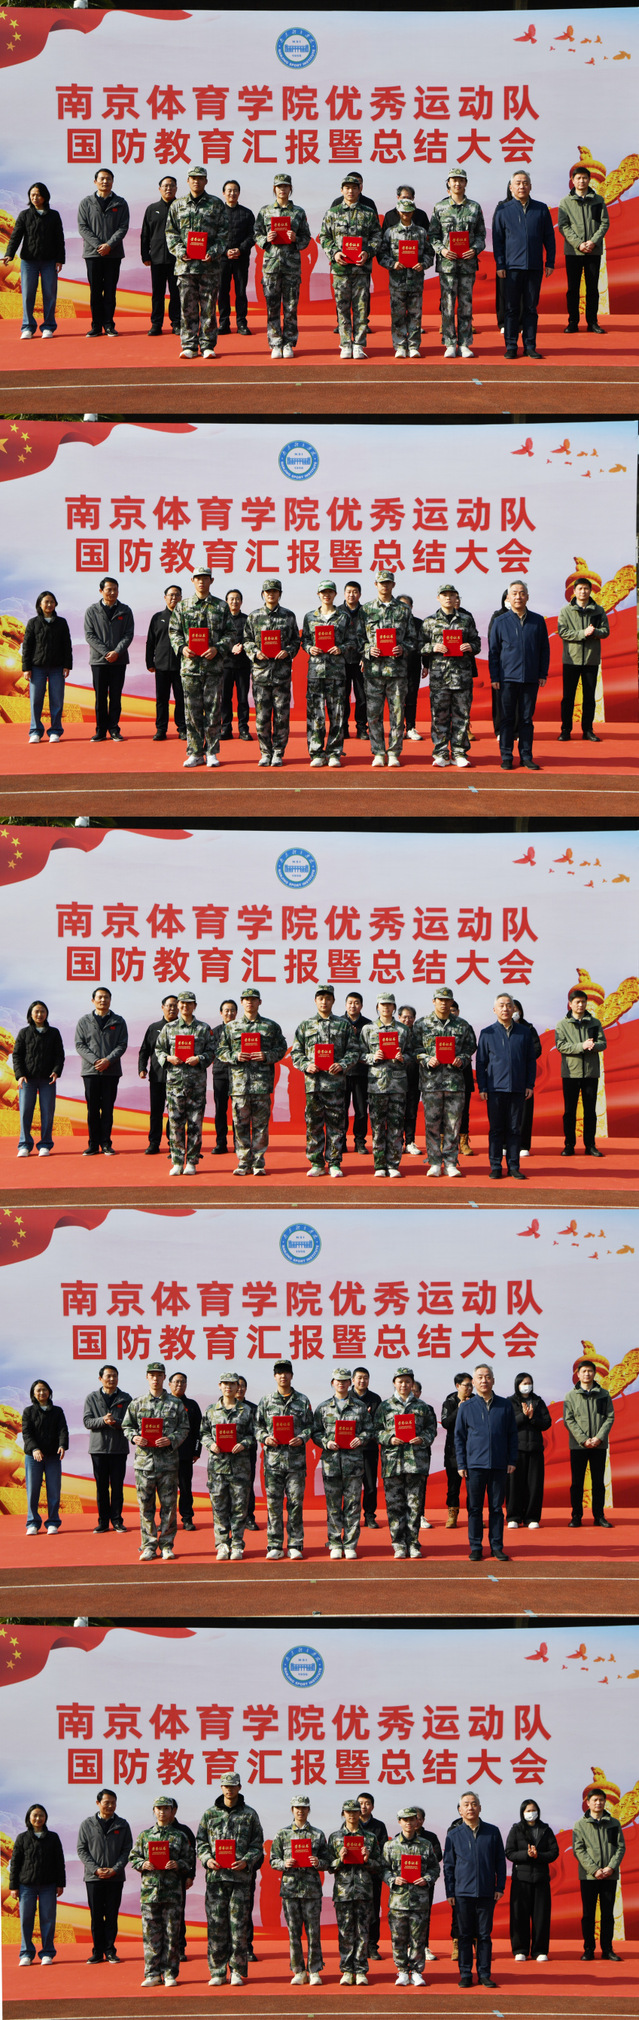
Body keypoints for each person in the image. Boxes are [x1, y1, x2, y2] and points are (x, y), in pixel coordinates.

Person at [196, 1771, 264, 1986]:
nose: (229, 1789)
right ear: (221, 1788)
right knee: (216, 1926)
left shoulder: (249, 1814)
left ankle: (237, 1970)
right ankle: (217, 1971)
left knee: (239, 1927)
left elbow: (257, 1845)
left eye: (233, 1786)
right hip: (216, 1879)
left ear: (239, 1787)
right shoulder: (210, 1814)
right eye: (226, 1786)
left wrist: (246, 1861)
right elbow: (201, 1842)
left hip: (240, 1880)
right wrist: (207, 1859)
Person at [121, 1360, 189, 1562]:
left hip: (168, 1463)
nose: (155, 1379)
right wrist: (134, 1437)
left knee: (169, 1506)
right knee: (145, 1507)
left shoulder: (175, 1403)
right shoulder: (137, 1403)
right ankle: (149, 1545)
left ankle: (167, 1544)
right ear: (147, 1377)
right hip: (145, 1464)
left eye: (159, 1375)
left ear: (164, 1378)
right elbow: (126, 1426)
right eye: (152, 1375)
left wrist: (171, 1439)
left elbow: (184, 1428)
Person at [216, 985, 287, 1176]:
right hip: (239, 1085)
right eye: (246, 999)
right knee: (240, 1124)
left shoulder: (270, 1026)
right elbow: (220, 1050)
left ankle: (258, 1163)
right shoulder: (231, 1027)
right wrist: (235, 1056)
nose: (250, 1002)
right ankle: (243, 1162)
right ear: (241, 1003)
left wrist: (266, 1056)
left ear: (259, 1002)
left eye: (253, 999)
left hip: (261, 1084)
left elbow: (281, 1048)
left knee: (260, 1126)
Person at [292, 982, 360, 1177]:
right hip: (314, 1084)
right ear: (315, 1001)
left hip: (335, 1084)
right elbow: (296, 1052)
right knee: (313, 1125)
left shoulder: (343, 1025)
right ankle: (316, 1163)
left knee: (336, 1125)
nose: (324, 1002)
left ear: (333, 1001)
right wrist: (306, 1065)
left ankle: (335, 1163)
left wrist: (342, 1064)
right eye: (321, 998)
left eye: (328, 998)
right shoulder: (305, 1026)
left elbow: (354, 1051)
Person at [168, 561, 230, 769]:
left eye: (205, 578)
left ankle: (212, 752)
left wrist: (217, 648)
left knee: (213, 711)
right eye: (198, 578)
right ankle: (195, 752)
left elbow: (231, 633)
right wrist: (181, 647)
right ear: (192, 581)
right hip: (190, 668)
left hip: (213, 668)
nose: (201, 581)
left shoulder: (221, 607)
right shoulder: (183, 606)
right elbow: (174, 631)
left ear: (211, 580)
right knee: (192, 712)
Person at [454, 1362, 518, 1562]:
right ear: (473, 1382)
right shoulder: (466, 1407)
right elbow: (459, 1437)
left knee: (497, 1509)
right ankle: (475, 1547)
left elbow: (512, 1435)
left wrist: (512, 1460)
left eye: (488, 1376)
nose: (484, 1380)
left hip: (499, 1464)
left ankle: (497, 1546)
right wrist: (461, 1463)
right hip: (474, 1466)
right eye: (480, 1377)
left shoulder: (505, 1405)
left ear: (493, 1380)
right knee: (474, 1508)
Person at [130, 1794, 195, 1988]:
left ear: (172, 1811)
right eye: (159, 1808)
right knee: (151, 1935)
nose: (162, 1812)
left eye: (166, 1808)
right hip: (150, 1893)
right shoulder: (145, 1835)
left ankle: (170, 1973)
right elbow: (133, 1857)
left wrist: (178, 1864)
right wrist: (143, 1863)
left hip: (172, 1893)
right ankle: (152, 1973)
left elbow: (190, 1860)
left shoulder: (180, 1836)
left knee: (172, 1935)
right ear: (154, 1811)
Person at [165, 165, 229, 361]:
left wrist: (213, 252)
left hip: (209, 267)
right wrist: (180, 250)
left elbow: (224, 234)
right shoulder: (177, 205)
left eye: (200, 178)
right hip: (185, 267)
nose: (196, 181)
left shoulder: (216, 204)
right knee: (187, 307)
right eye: (193, 178)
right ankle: (189, 345)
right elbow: (171, 233)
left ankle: (208, 345)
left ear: (206, 181)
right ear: (187, 181)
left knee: (208, 307)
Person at [412, 986, 477, 1177]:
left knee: (453, 1124)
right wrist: (426, 1058)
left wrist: (462, 1059)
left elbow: (471, 1047)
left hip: (454, 1082)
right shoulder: (422, 1024)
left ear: (451, 1002)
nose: (443, 1003)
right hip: (431, 1083)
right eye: (440, 1000)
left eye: (447, 1000)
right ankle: (434, 1162)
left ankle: (450, 1162)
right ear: (434, 1001)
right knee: (432, 1124)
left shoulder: (462, 1025)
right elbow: (414, 1048)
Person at [443, 1792, 506, 1989]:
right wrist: (450, 1892)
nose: (470, 1807)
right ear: (460, 1810)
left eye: (474, 1804)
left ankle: (484, 1974)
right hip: (462, 1894)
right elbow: (449, 1866)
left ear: (480, 1808)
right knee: (464, 1935)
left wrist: (500, 1887)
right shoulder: (453, 1835)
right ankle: (465, 1974)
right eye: (466, 1804)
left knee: (484, 1936)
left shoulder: (492, 1832)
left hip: (486, 1893)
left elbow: (500, 1862)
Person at [374, 1365, 437, 1559]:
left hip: (416, 1463)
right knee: (395, 1506)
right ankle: (398, 1544)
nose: (404, 1385)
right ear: (394, 1383)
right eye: (400, 1381)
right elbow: (375, 1430)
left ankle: (413, 1544)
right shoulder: (384, 1406)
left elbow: (431, 1429)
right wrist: (389, 1438)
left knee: (415, 1506)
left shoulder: (422, 1407)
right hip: (392, 1464)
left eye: (407, 1382)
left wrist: (422, 1439)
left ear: (412, 1384)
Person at [492, 168, 555, 359]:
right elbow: (497, 240)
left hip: (534, 267)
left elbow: (549, 237)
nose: (522, 186)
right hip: (511, 268)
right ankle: (511, 346)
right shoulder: (503, 210)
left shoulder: (541, 209)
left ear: (530, 187)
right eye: (518, 183)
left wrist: (550, 261)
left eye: (525, 183)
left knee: (530, 308)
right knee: (511, 308)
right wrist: (500, 265)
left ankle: (530, 346)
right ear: (511, 187)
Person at [488, 579, 550, 770]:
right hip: (506, 679)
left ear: (527, 597)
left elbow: (544, 649)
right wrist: (495, 677)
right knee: (506, 719)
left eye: (522, 593)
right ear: (508, 597)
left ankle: (526, 756)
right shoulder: (500, 621)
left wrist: (542, 673)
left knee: (526, 719)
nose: (518, 597)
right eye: (514, 593)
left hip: (530, 678)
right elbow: (494, 652)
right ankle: (506, 756)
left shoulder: (537, 620)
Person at [312, 1366, 372, 1559]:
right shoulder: (323, 1407)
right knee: (333, 1506)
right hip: (331, 1464)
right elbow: (315, 1432)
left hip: (353, 1464)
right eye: (338, 1380)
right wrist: (326, 1442)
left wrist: (360, 1439)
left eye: (345, 1380)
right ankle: (335, 1542)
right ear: (333, 1383)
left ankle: (350, 1544)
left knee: (353, 1505)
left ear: (350, 1383)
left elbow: (370, 1430)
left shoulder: (359, 1407)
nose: (342, 1383)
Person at [256, 1358, 313, 1560]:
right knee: (274, 1504)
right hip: (273, 1462)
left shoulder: (302, 1400)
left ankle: (295, 1544)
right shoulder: (266, 1401)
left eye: (286, 1372)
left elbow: (311, 1426)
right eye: (279, 1373)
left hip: (296, 1462)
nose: (283, 1376)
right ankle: (275, 1544)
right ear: (275, 1376)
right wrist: (265, 1438)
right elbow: (257, 1427)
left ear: (291, 1375)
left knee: (295, 1503)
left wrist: (302, 1437)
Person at [154, 986, 215, 1175]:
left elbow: (212, 1051)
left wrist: (200, 1059)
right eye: (182, 1003)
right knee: (175, 1123)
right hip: (175, 1084)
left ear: (194, 1006)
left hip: (196, 1084)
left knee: (195, 1124)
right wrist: (168, 1058)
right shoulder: (169, 1028)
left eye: (189, 1003)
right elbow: (159, 1049)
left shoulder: (203, 1028)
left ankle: (192, 1162)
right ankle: (177, 1161)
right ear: (178, 1005)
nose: (185, 1006)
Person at [476, 990, 537, 1179]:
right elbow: (481, 1062)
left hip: (518, 1088)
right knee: (496, 1130)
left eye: (509, 1005)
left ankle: (513, 1166)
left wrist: (529, 1084)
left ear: (514, 1009)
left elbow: (530, 1061)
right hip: (495, 1089)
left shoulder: (524, 1032)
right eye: (501, 1005)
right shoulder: (487, 1033)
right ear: (494, 1009)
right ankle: (495, 1166)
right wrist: (483, 1087)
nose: (505, 1009)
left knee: (514, 1129)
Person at [320, 174, 381, 359]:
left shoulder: (368, 213)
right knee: (342, 307)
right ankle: (345, 343)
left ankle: (359, 344)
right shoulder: (332, 213)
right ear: (341, 190)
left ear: (360, 189)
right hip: (341, 269)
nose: (350, 191)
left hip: (361, 269)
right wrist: (334, 253)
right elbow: (324, 237)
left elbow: (377, 237)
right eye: (347, 188)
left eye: (354, 188)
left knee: (361, 308)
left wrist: (368, 252)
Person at [361, 567, 417, 767]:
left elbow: (413, 638)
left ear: (393, 585)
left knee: (397, 714)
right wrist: (368, 650)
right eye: (381, 583)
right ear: (375, 585)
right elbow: (357, 638)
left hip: (396, 671)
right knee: (374, 714)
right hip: (374, 672)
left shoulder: (403, 610)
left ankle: (393, 752)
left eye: (388, 582)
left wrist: (403, 648)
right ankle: (378, 752)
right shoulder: (366, 610)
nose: (384, 586)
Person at [270, 1796, 329, 1985]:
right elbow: (273, 1860)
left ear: (308, 1810)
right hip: (290, 1890)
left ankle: (315, 1970)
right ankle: (298, 1971)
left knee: (314, 1932)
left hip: (311, 1891)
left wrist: (318, 1862)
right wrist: (283, 1863)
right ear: (292, 1810)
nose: (300, 1811)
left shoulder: (317, 1834)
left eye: (304, 1808)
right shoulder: (283, 1834)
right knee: (293, 1933)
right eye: (297, 1808)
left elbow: (329, 1861)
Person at [421, 582, 480, 768]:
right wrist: (433, 647)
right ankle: (440, 752)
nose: (448, 598)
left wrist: (470, 646)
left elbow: (477, 642)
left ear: (456, 598)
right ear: (438, 598)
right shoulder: (429, 621)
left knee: (461, 716)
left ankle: (459, 753)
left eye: (451, 595)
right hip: (439, 678)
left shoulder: (466, 620)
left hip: (462, 677)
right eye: (444, 595)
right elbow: (419, 645)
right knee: (439, 716)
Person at [429, 166, 486, 358]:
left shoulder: (474, 207)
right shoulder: (440, 207)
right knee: (447, 305)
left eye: (461, 180)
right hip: (447, 265)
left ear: (466, 183)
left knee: (466, 305)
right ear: (448, 183)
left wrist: (475, 249)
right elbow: (433, 235)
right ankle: (449, 343)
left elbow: (481, 235)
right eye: (454, 180)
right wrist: (442, 250)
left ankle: (465, 343)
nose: (457, 183)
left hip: (467, 265)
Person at [243, 576, 300, 766]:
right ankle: (265, 752)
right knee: (262, 717)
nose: (271, 594)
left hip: (281, 674)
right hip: (261, 674)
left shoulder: (288, 616)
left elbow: (296, 641)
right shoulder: (254, 617)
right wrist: (255, 652)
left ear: (280, 594)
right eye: (268, 592)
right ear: (263, 594)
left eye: (274, 591)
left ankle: (278, 752)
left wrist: (288, 651)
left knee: (282, 716)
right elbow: (246, 640)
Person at [254, 170, 311, 358]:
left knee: (290, 307)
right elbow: (256, 234)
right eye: (279, 187)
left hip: (291, 267)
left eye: (285, 186)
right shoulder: (265, 211)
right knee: (272, 306)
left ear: (290, 189)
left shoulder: (298, 212)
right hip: (271, 266)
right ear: (274, 189)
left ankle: (289, 343)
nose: (282, 190)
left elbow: (306, 238)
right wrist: (266, 239)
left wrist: (296, 239)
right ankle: (275, 343)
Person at [383, 1807, 440, 1986]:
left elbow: (435, 1868)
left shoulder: (425, 1845)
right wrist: (392, 1879)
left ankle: (416, 1971)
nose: (408, 1823)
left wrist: (427, 1879)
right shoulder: (390, 1845)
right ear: (399, 1822)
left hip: (419, 1901)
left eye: (412, 1819)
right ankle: (401, 1971)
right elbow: (383, 1869)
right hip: (398, 1901)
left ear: (417, 1822)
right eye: (405, 1820)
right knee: (398, 1938)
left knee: (418, 1939)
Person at [328, 1798, 382, 1985]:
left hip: (363, 1891)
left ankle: (360, 1970)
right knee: (345, 1932)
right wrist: (339, 1859)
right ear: (343, 1813)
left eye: (355, 1811)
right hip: (343, 1892)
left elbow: (380, 1865)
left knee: (363, 1932)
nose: (351, 1815)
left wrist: (368, 1860)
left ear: (360, 1813)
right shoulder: (335, 1837)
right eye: (348, 1811)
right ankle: (346, 1969)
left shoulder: (370, 1838)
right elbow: (328, 1866)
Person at [201, 1372, 254, 1559]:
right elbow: (203, 1433)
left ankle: (237, 1544)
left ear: (237, 1387)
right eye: (225, 1384)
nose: (229, 1387)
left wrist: (244, 1444)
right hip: (217, 1468)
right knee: (219, 1507)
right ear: (220, 1386)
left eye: (232, 1384)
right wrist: (210, 1444)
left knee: (240, 1507)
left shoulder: (246, 1411)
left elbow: (254, 1434)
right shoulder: (211, 1410)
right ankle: (222, 1544)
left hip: (240, 1467)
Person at [77, 1788, 133, 1965]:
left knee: (111, 1915)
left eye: (113, 1803)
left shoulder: (122, 1824)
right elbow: (82, 1850)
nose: (110, 1806)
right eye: (106, 1802)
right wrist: (95, 1869)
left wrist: (115, 1869)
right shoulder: (87, 1824)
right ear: (98, 1803)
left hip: (115, 1878)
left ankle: (110, 1950)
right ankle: (97, 1952)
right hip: (94, 1878)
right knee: (96, 1916)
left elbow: (127, 1850)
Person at [3, 181, 65, 340]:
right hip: (29, 261)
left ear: (45, 197)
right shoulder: (24, 215)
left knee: (49, 294)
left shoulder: (54, 215)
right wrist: (10, 254)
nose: (35, 198)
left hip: (49, 261)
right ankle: (27, 327)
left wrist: (60, 259)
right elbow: (16, 236)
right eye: (32, 195)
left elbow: (59, 239)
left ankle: (48, 326)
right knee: (28, 294)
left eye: (38, 195)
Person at [359, 990, 411, 1177]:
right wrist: (372, 1057)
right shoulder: (368, 1029)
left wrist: (403, 1057)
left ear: (394, 1007)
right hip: (376, 1085)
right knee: (378, 1127)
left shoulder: (403, 1030)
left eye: (389, 1004)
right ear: (377, 1007)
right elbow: (359, 1053)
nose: (386, 1007)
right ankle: (380, 1165)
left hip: (398, 1085)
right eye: (383, 1004)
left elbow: (413, 1053)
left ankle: (394, 1164)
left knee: (396, 1126)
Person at [572, 1784, 625, 1962]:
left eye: (601, 1800)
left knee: (608, 1914)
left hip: (609, 1876)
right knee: (588, 1914)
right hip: (589, 1877)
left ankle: (607, 1949)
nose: (598, 1803)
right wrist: (594, 1870)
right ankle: (588, 1949)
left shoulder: (613, 1823)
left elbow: (620, 1847)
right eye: (595, 1800)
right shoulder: (580, 1825)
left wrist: (611, 1867)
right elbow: (578, 1850)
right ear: (588, 1803)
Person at [9, 1804, 65, 1967]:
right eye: (35, 1815)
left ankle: (47, 1952)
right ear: (29, 1818)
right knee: (26, 1919)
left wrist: (60, 1884)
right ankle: (26, 1953)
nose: (38, 1818)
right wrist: (13, 1886)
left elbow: (59, 1862)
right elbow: (15, 1864)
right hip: (26, 1886)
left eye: (41, 1815)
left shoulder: (53, 1837)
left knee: (48, 1919)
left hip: (48, 1885)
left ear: (45, 1818)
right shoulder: (22, 1838)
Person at [302, 577, 351, 767]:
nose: (327, 595)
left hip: (336, 671)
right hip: (316, 671)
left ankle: (334, 753)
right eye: (323, 592)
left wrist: (341, 648)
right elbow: (305, 640)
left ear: (335, 594)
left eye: (330, 592)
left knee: (337, 713)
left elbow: (353, 640)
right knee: (316, 713)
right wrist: (309, 648)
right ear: (318, 594)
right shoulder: (310, 617)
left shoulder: (343, 617)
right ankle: (316, 752)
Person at [75, 984, 128, 1157]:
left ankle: (106, 1143)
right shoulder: (84, 1021)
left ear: (110, 1000)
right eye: (100, 997)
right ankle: (93, 1144)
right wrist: (95, 1061)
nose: (103, 1000)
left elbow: (122, 1044)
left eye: (106, 997)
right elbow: (80, 1045)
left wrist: (108, 1060)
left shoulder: (118, 1021)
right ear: (93, 1000)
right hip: (90, 1072)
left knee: (107, 1109)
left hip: (111, 1071)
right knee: (92, 1109)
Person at [557, 576, 610, 744]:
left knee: (589, 697)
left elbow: (606, 631)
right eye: (580, 588)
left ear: (590, 591)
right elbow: (562, 632)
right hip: (571, 660)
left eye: (586, 588)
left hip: (590, 660)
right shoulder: (565, 611)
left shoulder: (598, 610)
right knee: (568, 697)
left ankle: (588, 730)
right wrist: (582, 633)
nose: (583, 591)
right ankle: (565, 730)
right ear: (574, 591)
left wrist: (595, 632)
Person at [77, 167, 129, 338]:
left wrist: (109, 245)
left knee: (110, 290)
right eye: (102, 178)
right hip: (93, 254)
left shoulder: (120, 203)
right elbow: (83, 227)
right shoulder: (86, 203)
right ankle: (96, 326)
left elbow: (123, 227)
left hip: (113, 254)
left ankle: (109, 325)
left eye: (108, 179)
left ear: (112, 182)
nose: (105, 181)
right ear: (95, 182)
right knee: (95, 291)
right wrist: (99, 246)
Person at [563, 1355, 614, 1528]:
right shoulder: (570, 1396)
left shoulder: (604, 1394)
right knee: (577, 1483)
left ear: (594, 1373)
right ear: (578, 1374)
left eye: (590, 1371)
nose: (587, 1374)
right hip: (578, 1446)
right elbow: (568, 1420)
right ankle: (576, 1516)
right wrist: (584, 1440)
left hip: (599, 1445)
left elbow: (609, 1417)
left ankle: (599, 1516)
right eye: (584, 1371)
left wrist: (599, 1437)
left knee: (598, 1482)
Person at [556, 984, 607, 1157]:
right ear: (570, 1004)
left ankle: (590, 1145)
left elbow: (603, 1043)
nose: (580, 1005)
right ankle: (569, 1144)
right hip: (570, 1073)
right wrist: (581, 1046)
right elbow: (561, 1046)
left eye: (583, 1002)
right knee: (569, 1111)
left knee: (590, 1111)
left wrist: (594, 1046)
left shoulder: (594, 1022)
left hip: (590, 1073)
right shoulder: (562, 1024)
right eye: (577, 1002)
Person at [558, 165, 609, 335]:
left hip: (593, 251)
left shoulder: (598, 200)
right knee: (573, 288)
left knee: (592, 288)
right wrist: (579, 244)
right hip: (573, 252)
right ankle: (573, 322)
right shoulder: (565, 202)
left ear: (589, 180)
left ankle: (592, 322)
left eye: (584, 178)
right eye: (578, 178)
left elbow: (604, 223)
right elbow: (563, 226)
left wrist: (593, 242)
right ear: (572, 181)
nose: (581, 181)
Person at [379, 195, 432, 359]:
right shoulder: (390, 232)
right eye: (403, 212)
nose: (406, 214)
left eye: (409, 212)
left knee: (415, 315)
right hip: (397, 281)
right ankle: (400, 345)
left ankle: (414, 345)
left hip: (416, 280)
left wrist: (423, 264)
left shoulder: (421, 232)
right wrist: (392, 264)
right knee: (398, 315)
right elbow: (381, 254)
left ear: (413, 212)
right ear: (398, 212)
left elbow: (430, 253)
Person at [505, 1800, 559, 1962]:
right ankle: (520, 1949)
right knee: (519, 1915)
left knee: (541, 1916)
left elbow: (554, 1852)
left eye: (533, 1810)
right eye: (528, 1810)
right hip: (521, 1880)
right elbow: (509, 1852)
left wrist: (538, 1856)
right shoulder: (516, 1829)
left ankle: (540, 1950)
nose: (531, 1813)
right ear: (522, 1812)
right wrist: (526, 1855)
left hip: (541, 1879)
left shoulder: (546, 1830)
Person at [84, 576, 134, 744]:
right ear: (101, 591)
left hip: (119, 661)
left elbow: (128, 634)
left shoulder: (125, 610)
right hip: (99, 661)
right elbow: (89, 635)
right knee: (100, 697)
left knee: (115, 697)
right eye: (109, 589)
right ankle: (100, 730)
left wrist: (117, 652)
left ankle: (114, 729)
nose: (112, 592)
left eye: (115, 589)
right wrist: (106, 653)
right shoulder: (92, 611)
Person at [83, 1363, 131, 1534]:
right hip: (98, 1450)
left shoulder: (125, 1398)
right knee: (101, 1488)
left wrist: (115, 1422)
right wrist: (103, 1420)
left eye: (114, 1376)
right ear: (100, 1378)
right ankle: (103, 1522)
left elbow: (131, 1423)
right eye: (108, 1376)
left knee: (117, 1487)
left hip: (119, 1449)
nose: (112, 1379)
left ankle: (117, 1521)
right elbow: (87, 1421)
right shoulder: (92, 1398)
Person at [13, 999, 64, 1158]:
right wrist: (20, 1075)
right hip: (27, 1079)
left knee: (47, 1112)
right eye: (36, 1011)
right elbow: (17, 1055)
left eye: (42, 1011)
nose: (39, 1014)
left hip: (48, 1080)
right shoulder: (24, 1033)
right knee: (25, 1112)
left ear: (46, 1014)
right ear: (31, 1014)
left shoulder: (54, 1033)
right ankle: (24, 1145)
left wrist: (56, 1071)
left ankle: (45, 1144)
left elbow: (59, 1055)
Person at [21, 591, 72, 745]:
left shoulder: (61, 622)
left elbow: (67, 645)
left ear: (55, 604)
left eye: (52, 602)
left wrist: (67, 665)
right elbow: (27, 647)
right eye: (46, 602)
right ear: (40, 604)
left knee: (57, 700)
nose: (49, 605)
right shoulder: (33, 623)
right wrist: (26, 668)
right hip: (37, 668)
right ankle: (35, 731)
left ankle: (55, 731)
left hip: (57, 668)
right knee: (36, 701)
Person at [22, 1379, 68, 1536]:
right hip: (33, 1457)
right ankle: (32, 1523)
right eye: (38, 1390)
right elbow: (26, 1433)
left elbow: (63, 1430)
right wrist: (34, 1448)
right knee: (33, 1490)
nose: (42, 1393)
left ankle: (53, 1522)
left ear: (49, 1392)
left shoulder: (57, 1411)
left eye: (44, 1390)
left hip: (53, 1456)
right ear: (33, 1394)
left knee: (54, 1490)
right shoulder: (28, 1412)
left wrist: (62, 1445)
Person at [506, 1371, 551, 1529]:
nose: (527, 1386)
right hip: (516, 1449)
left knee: (534, 1485)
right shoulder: (509, 1402)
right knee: (514, 1484)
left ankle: (532, 1517)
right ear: (517, 1385)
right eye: (524, 1383)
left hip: (535, 1449)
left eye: (529, 1383)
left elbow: (547, 1423)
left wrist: (533, 1419)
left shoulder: (538, 1401)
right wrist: (523, 1416)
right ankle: (513, 1516)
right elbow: (507, 1423)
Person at [137, 993, 178, 1157]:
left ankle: (173, 1142)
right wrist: (142, 1068)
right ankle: (154, 1142)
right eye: (169, 1005)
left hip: (178, 1077)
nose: (173, 1008)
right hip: (157, 1076)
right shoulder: (154, 1028)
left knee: (175, 1112)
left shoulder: (183, 1028)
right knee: (156, 1112)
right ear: (163, 1007)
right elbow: (144, 1050)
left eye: (175, 1006)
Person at [140, 175, 180, 334]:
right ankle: (156, 324)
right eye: (165, 186)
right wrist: (145, 254)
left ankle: (176, 323)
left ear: (176, 188)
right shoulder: (152, 209)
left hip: (177, 258)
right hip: (156, 258)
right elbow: (145, 234)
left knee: (176, 293)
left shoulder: (181, 207)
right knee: (157, 293)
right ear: (159, 189)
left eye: (172, 186)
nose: (168, 189)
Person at [145, 585, 186, 741]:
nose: (174, 598)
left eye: (177, 595)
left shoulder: (185, 617)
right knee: (161, 700)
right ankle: (161, 729)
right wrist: (150, 661)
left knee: (181, 699)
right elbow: (150, 641)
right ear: (165, 598)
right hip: (161, 665)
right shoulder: (157, 617)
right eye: (171, 595)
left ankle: (182, 728)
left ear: (181, 598)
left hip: (181, 666)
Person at [217, 179, 255, 335]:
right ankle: (223, 323)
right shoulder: (217, 214)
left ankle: (241, 323)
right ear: (223, 193)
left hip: (241, 259)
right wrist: (225, 251)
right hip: (222, 259)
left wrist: (240, 249)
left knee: (240, 292)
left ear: (239, 193)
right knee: (222, 291)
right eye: (229, 190)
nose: (232, 193)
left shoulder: (247, 213)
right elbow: (213, 236)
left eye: (235, 190)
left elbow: (253, 235)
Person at [168, 1370, 202, 1532]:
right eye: (176, 1382)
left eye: (183, 1382)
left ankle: (187, 1518)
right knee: (166, 1490)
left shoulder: (192, 1405)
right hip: (165, 1455)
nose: (180, 1385)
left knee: (185, 1489)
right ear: (169, 1384)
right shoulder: (163, 1403)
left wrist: (196, 1451)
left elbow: (198, 1431)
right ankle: (167, 1520)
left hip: (185, 1455)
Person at [357, 1793, 387, 1957]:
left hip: (372, 1875)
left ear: (372, 1806)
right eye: (360, 1803)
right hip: (354, 1877)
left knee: (374, 1911)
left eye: (367, 1803)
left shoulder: (379, 1826)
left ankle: (372, 1946)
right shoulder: (350, 1824)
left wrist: (370, 1857)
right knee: (356, 1912)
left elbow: (384, 1851)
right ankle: (358, 1947)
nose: (363, 1806)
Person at [351, 1367, 381, 1528]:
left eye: (365, 1378)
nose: (362, 1381)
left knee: (370, 1485)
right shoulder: (346, 1397)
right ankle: (351, 1517)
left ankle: (370, 1515)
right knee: (350, 1486)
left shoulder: (375, 1399)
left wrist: (367, 1419)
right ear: (353, 1380)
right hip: (349, 1450)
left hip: (369, 1449)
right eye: (359, 1378)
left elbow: (378, 1424)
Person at [441, 1372, 473, 1527]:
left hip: (473, 1450)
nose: (469, 1388)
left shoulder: (476, 1401)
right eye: (466, 1385)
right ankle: (452, 1515)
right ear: (458, 1386)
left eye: (471, 1385)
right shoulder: (449, 1402)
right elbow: (446, 1423)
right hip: (453, 1450)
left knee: (473, 1487)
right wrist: (459, 1409)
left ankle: (474, 1516)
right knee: (453, 1487)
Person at [220, 588, 252, 741]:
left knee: (243, 699)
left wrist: (243, 646)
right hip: (225, 665)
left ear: (241, 602)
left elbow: (252, 638)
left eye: (237, 598)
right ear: (226, 602)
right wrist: (229, 648)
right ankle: (225, 728)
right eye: (231, 599)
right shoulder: (221, 620)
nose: (234, 601)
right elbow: (216, 640)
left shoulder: (247, 620)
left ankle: (243, 728)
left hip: (243, 665)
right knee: (225, 698)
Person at [341, 991, 370, 1156]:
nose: (353, 1006)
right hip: (342, 1074)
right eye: (350, 1002)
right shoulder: (338, 1023)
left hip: (361, 1073)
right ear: (345, 1005)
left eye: (356, 1003)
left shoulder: (368, 1025)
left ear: (361, 1005)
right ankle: (341, 1141)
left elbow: (370, 1048)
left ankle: (360, 1141)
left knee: (361, 1110)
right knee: (341, 1109)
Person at [510, 998, 541, 1156]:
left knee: (525, 1112)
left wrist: (521, 1057)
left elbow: (537, 1049)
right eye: (510, 1007)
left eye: (515, 1008)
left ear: (520, 1011)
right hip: (504, 1075)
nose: (512, 1011)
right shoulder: (498, 1029)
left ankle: (523, 1146)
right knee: (504, 1111)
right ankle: (504, 1144)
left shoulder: (528, 1029)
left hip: (523, 1075)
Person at [338, 580, 368, 739]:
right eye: (349, 592)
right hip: (340, 661)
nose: (351, 595)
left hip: (360, 661)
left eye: (355, 592)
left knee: (362, 697)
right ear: (344, 594)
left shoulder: (366, 613)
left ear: (360, 594)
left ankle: (361, 728)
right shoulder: (337, 612)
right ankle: (343, 727)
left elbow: (371, 637)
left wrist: (365, 656)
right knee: (342, 697)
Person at [210, 997, 237, 1154]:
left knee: (238, 1110)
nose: (229, 1013)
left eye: (232, 1010)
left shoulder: (242, 1030)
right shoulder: (215, 1032)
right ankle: (221, 1143)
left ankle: (239, 1143)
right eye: (226, 1010)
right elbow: (213, 1050)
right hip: (220, 1074)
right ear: (221, 1013)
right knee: (220, 1109)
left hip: (239, 1074)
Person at [396, 598, 423, 740]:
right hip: (395, 666)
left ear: (411, 607)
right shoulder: (393, 623)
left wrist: (426, 665)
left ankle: (411, 727)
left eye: (407, 606)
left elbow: (423, 645)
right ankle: (398, 728)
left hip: (414, 665)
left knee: (412, 697)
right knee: (397, 699)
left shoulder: (419, 623)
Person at [236, 1374, 259, 1530]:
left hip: (247, 1453)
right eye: (237, 1385)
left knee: (248, 1485)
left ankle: (249, 1517)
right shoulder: (221, 1407)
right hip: (227, 1455)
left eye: (243, 1386)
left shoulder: (253, 1408)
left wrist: (244, 1444)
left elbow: (258, 1431)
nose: (239, 1388)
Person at [397, 1005, 420, 1152]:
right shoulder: (393, 1033)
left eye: (410, 1017)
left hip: (414, 1077)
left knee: (411, 1112)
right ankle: (397, 1142)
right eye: (404, 1017)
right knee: (397, 1112)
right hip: (396, 1079)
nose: (407, 1020)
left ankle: (410, 1142)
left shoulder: (418, 1034)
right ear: (399, 1017)